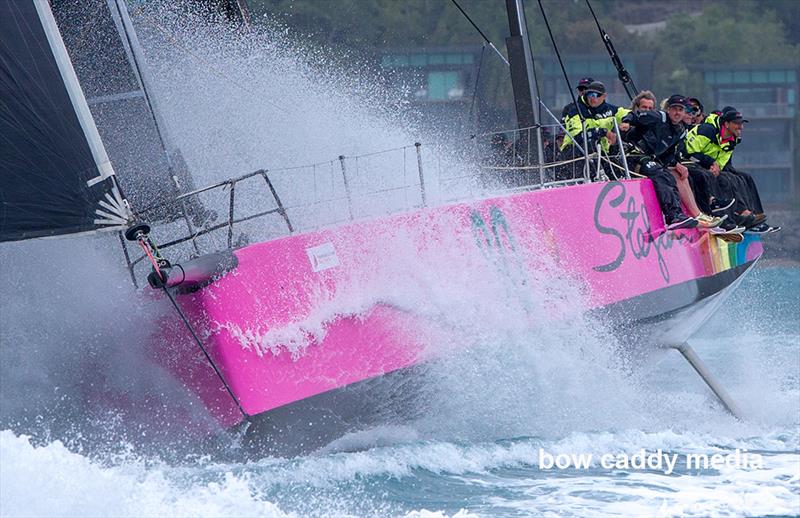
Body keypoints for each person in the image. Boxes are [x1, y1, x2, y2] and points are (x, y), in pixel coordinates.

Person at [684, 107, 779, 233]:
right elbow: (688, 151)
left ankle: (752, 215)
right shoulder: (708, 130)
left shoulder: (733, 140)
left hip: (707, 165)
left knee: (738, 177)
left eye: (741, 124)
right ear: (727, 124)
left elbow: (721, 162)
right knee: (717, 178)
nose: (740, 127)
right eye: (737, 124)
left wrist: (715, 167)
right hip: (688, 160)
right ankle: (726, 218)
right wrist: (710, 163)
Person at [621, 94, 698, 230]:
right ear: (668, 110)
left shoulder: (680, 131)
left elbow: (667, 155)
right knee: (659, 173)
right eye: (674, 109)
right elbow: (635, 115)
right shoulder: (658, 117)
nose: (677, 113)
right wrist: (626, 121)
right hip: (633, 155)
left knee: (670, 176)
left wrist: (675, 164)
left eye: (680, 110)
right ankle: (673, 216)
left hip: (650, 158)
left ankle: (678, 215)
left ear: (684, 112)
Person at [560, 81, 629, 156]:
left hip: (602, 153)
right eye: (589, 94)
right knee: (590, 144)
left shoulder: (611, 109)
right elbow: (577, 138)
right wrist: (603, 132)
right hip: (573, 151)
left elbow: (629, 113)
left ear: (604, 96)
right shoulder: (575, 110)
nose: (591, 98)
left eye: (594, 95)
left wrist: (627, 121)